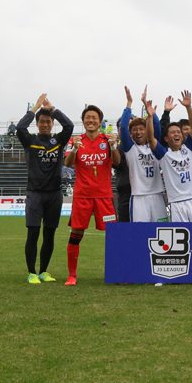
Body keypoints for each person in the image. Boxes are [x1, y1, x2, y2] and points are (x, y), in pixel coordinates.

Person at [16, 94, 74, 283]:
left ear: (52, 123)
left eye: (48, 122)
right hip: (35, 194)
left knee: (49, 234)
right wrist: (35, 108)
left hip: (54, 195)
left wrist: (53, 109)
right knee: (33, 233)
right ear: (37, 123)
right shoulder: (30, 140)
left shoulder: (58, 141)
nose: (45, 124)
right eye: (42, 121)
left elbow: (69, 126)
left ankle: (43, 272)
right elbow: (20, 127)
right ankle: (31, 273)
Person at [64, 104, 120, 286]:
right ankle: (72, 275)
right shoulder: (75, 140)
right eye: (87, 117)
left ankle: (116, 272)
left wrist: (113, 146)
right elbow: (67, 163)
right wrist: (74, 149)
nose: (91, 120)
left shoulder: (107, 139)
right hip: (82, 195)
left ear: (99, 121)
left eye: (94, 118)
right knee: (76, 233)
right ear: (83, 121)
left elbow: (117, 162)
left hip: (104, 196)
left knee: (113, 234)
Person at [146, 92, 192, 223]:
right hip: (176, 203)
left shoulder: (189, 148)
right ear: (166, 138)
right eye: (173, 132)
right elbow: (151, 139)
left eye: (178, 132)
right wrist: (150, 118)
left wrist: (188, 107)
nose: (176, 134)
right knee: (181, 234)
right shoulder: (163, 154)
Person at [119, 86, 167, 222]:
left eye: (141, 129)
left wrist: (149, 109)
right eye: (134, 130)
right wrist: (129, 104)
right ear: (131, 133)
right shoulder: (130, 148)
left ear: (147, 130)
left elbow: (156, 127)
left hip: (157, 195)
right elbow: (123, 127)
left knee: (160, 230)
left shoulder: (154, 146)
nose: (138, 132)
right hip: (139, 197)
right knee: (140, 232)